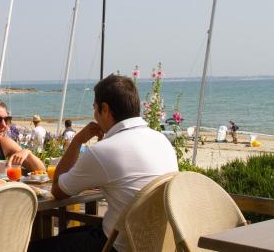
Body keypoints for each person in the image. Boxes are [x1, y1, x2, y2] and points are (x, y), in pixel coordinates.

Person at [29, 75, 178, 252]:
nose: (94, 115)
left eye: (95, 108)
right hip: (156, 243)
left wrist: (78, 140)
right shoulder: (162, 140)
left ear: (105, 109)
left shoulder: (104, 150)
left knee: (35, 248)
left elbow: (58, 190)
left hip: (117, 245)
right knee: (67, 236)